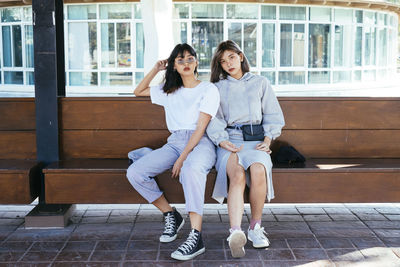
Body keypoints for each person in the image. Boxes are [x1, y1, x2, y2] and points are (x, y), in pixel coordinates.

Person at [127, 43, 220, 261]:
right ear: (174, 66)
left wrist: (183, 157)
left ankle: (196, 236)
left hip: (201, 142)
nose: (186, 63)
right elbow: (138, 91)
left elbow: (200, 128)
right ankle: (170, 214)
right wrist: (156, 69)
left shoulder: (208, 89)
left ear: (196, 62)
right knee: (135, 172)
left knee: (189, 170)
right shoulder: (168, 90)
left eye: (190, 59)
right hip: (175, 141)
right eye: (180, 60)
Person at [206, 40, 285, 258]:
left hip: (257, 140)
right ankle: (235, 232)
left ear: (240, 56)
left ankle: (255, 228)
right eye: (222, 61)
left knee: (259, 170)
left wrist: (268, 140)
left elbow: (273, 114)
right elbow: (214, 119)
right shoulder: (218, 88)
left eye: (231, 57)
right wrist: (222, 141)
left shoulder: (260, 82)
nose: (228, 63)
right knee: (238, 175)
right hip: (230, 141)